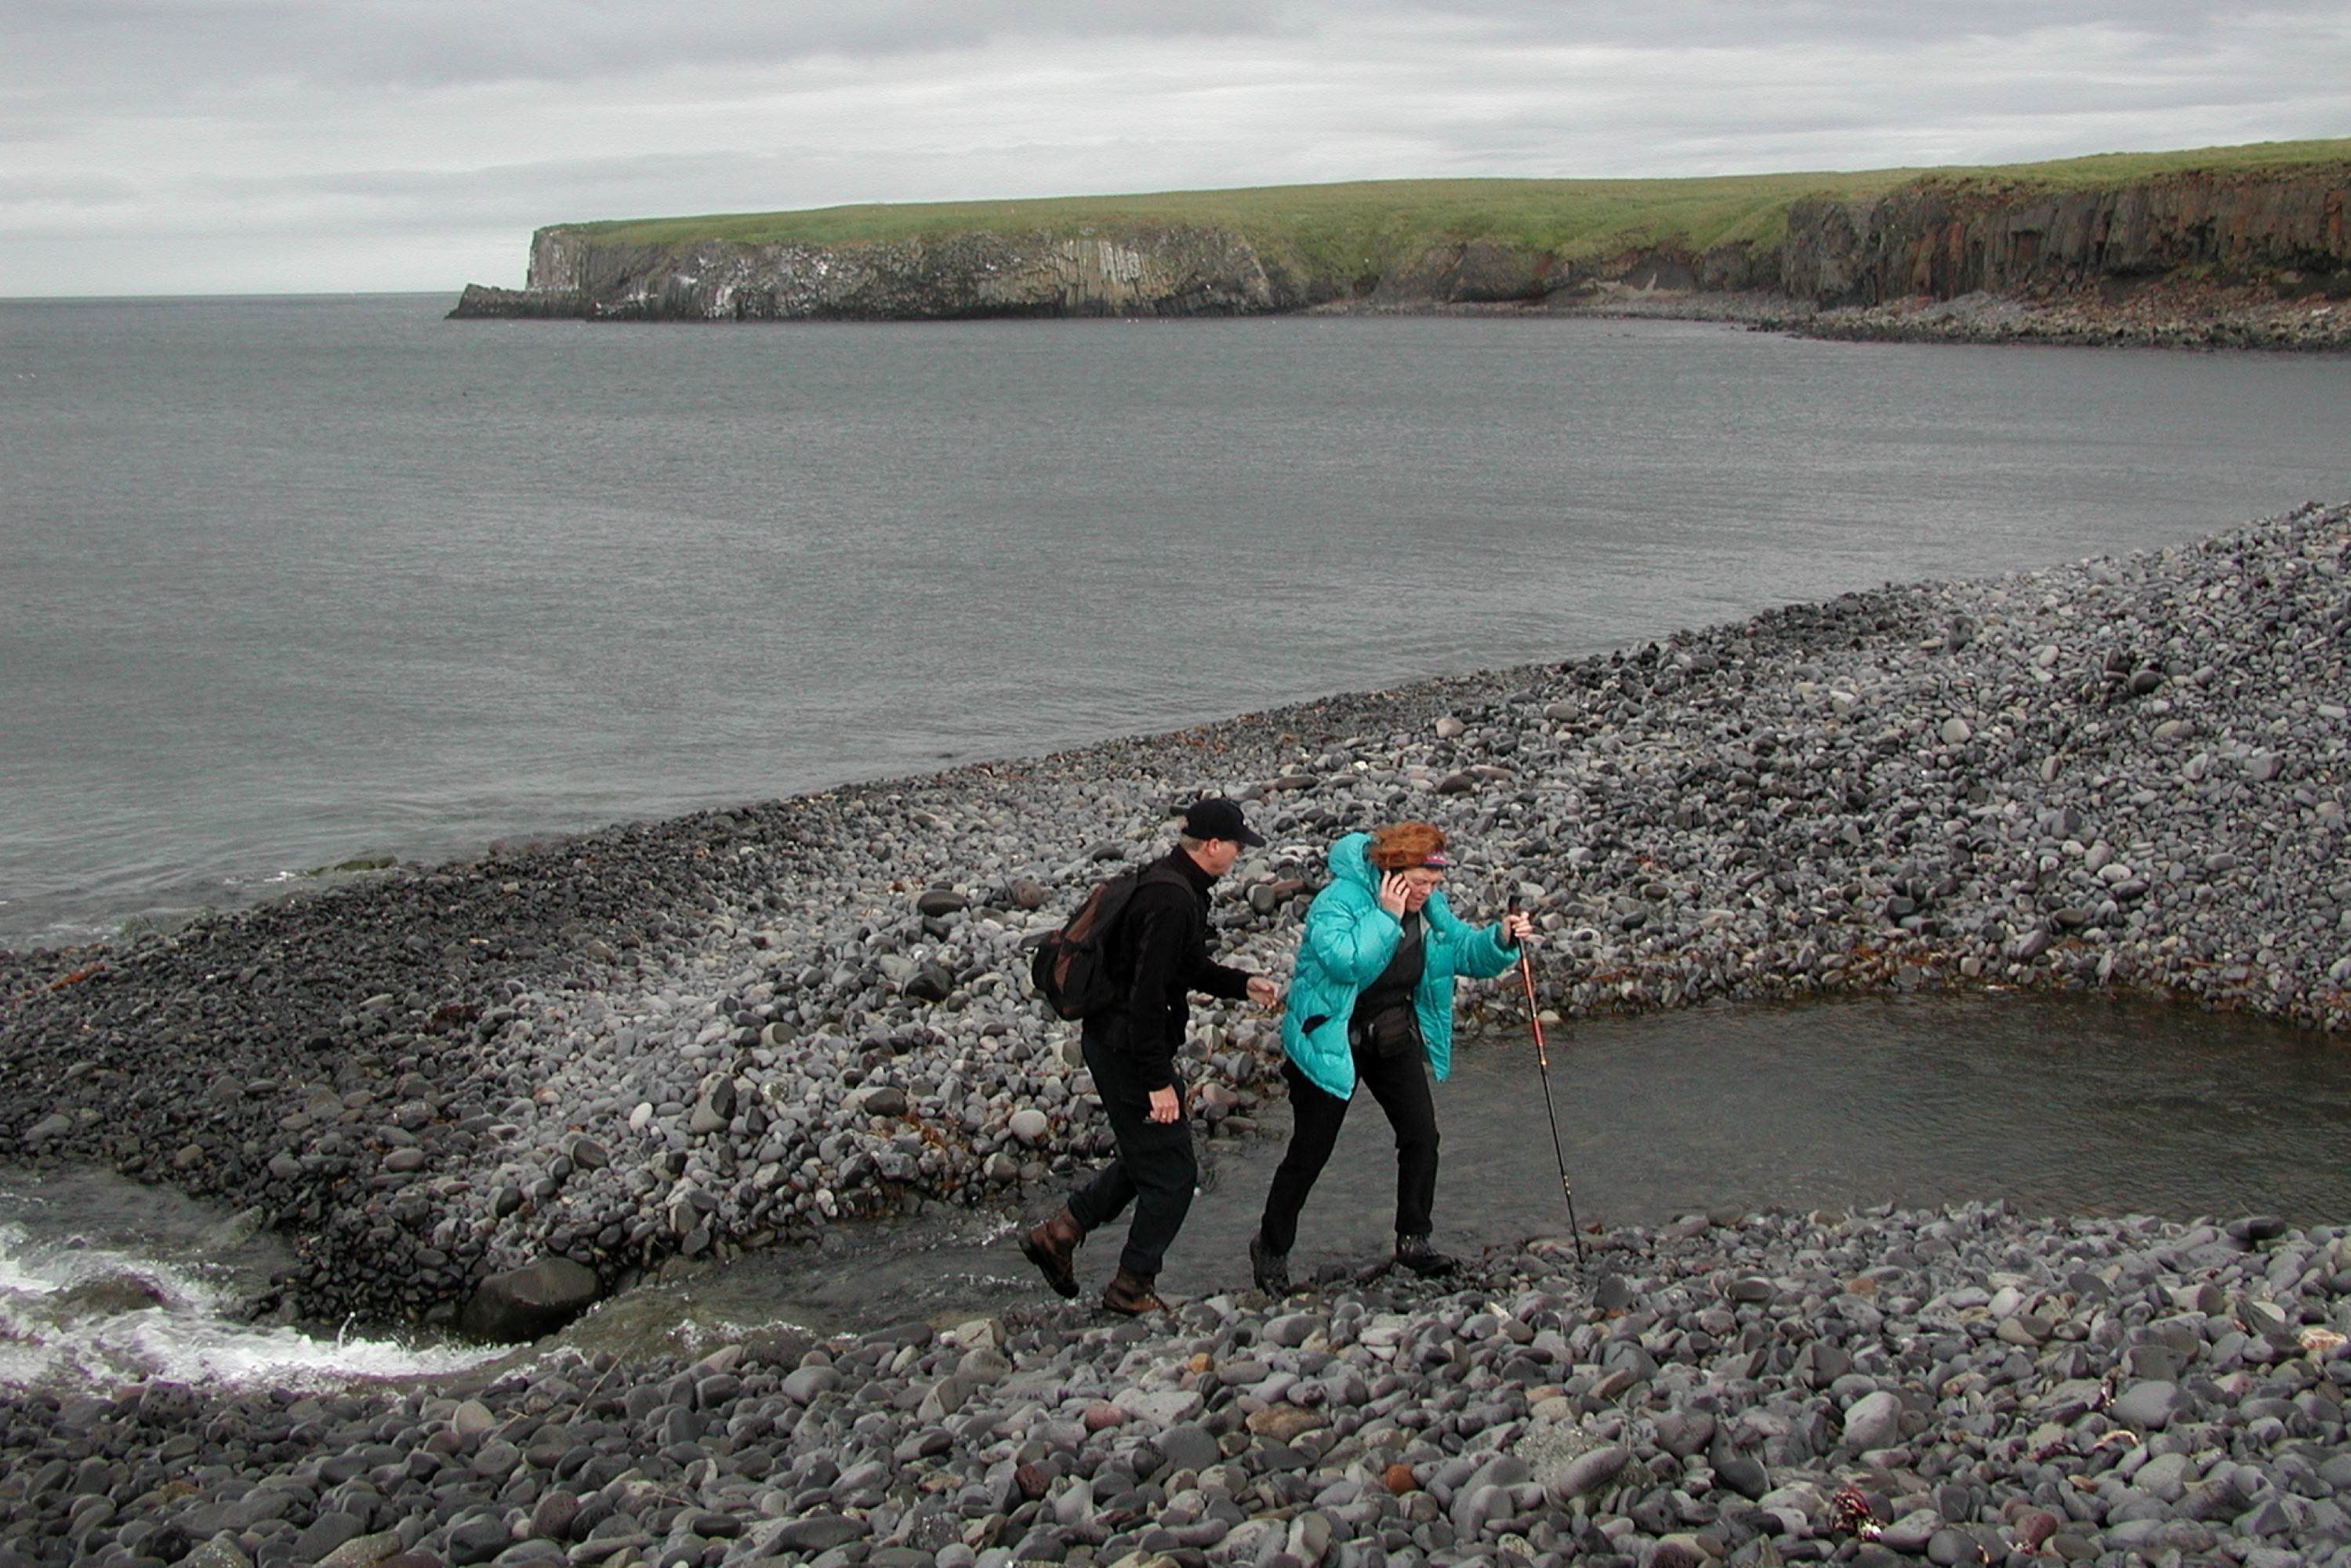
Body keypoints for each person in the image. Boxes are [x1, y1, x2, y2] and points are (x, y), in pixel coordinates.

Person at [1022, 797, 1283, 1315]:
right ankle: (1130, 1286)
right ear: (1213, 846)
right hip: (1125, 1048)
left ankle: (1059, 1234)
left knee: (1149, 1156)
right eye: (1236, 845)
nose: (1239, 854)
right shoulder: (1171, 901)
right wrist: (1157, 1081)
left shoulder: (1173, 882)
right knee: (1174, 1176)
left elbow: (1184, 967)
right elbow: (1146, 998)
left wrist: (1241, 983)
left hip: (1117, 1041)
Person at [1248, 821, 1533, 1292]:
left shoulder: (1428, 907)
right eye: (1419, 882)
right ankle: (1272, 1248)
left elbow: (1463, 950)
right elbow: (1346, 962)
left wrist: (1502, 938)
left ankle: (1414, 1241)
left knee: (1422, 1136)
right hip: (1329, 1038)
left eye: (1434, 883)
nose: (1427, 892)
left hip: (1391, 1035)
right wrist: (1386, 917)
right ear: (1392, 873)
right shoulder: (1338, 901)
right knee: (1310, 1152)